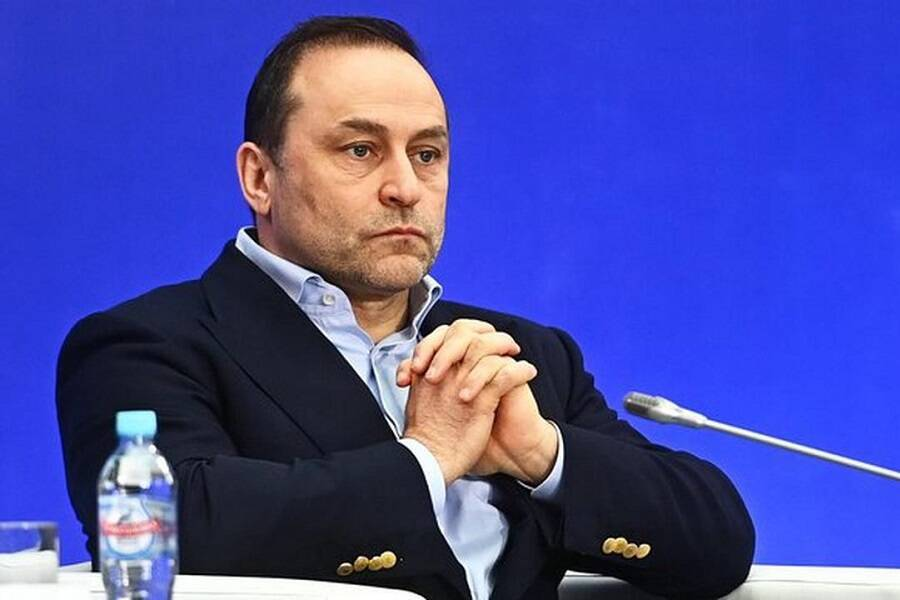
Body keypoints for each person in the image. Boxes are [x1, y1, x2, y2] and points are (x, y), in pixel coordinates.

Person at [56, 16, 754, 600]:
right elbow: (169, 533)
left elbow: (719, 540)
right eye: (360, 149)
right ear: (259, 177)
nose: (405, 188)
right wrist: (428, 458)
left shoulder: (519, 354)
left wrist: (540, 454)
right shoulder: (143, 345)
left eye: (427, 154)